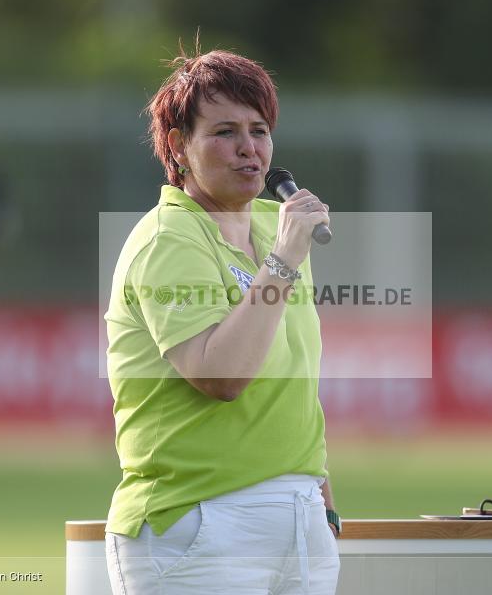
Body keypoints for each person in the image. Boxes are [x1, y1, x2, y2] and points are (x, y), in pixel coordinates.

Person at [103, 44, 340, 594]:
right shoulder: (170, 238)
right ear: (178, 148)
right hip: (199, 522)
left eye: (259, 130)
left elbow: (296, 375)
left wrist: (317, 486)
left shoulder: (273, 228)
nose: (248, 149)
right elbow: (223, 376)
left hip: (298, 520)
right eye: (224, 132)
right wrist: (282, 263)